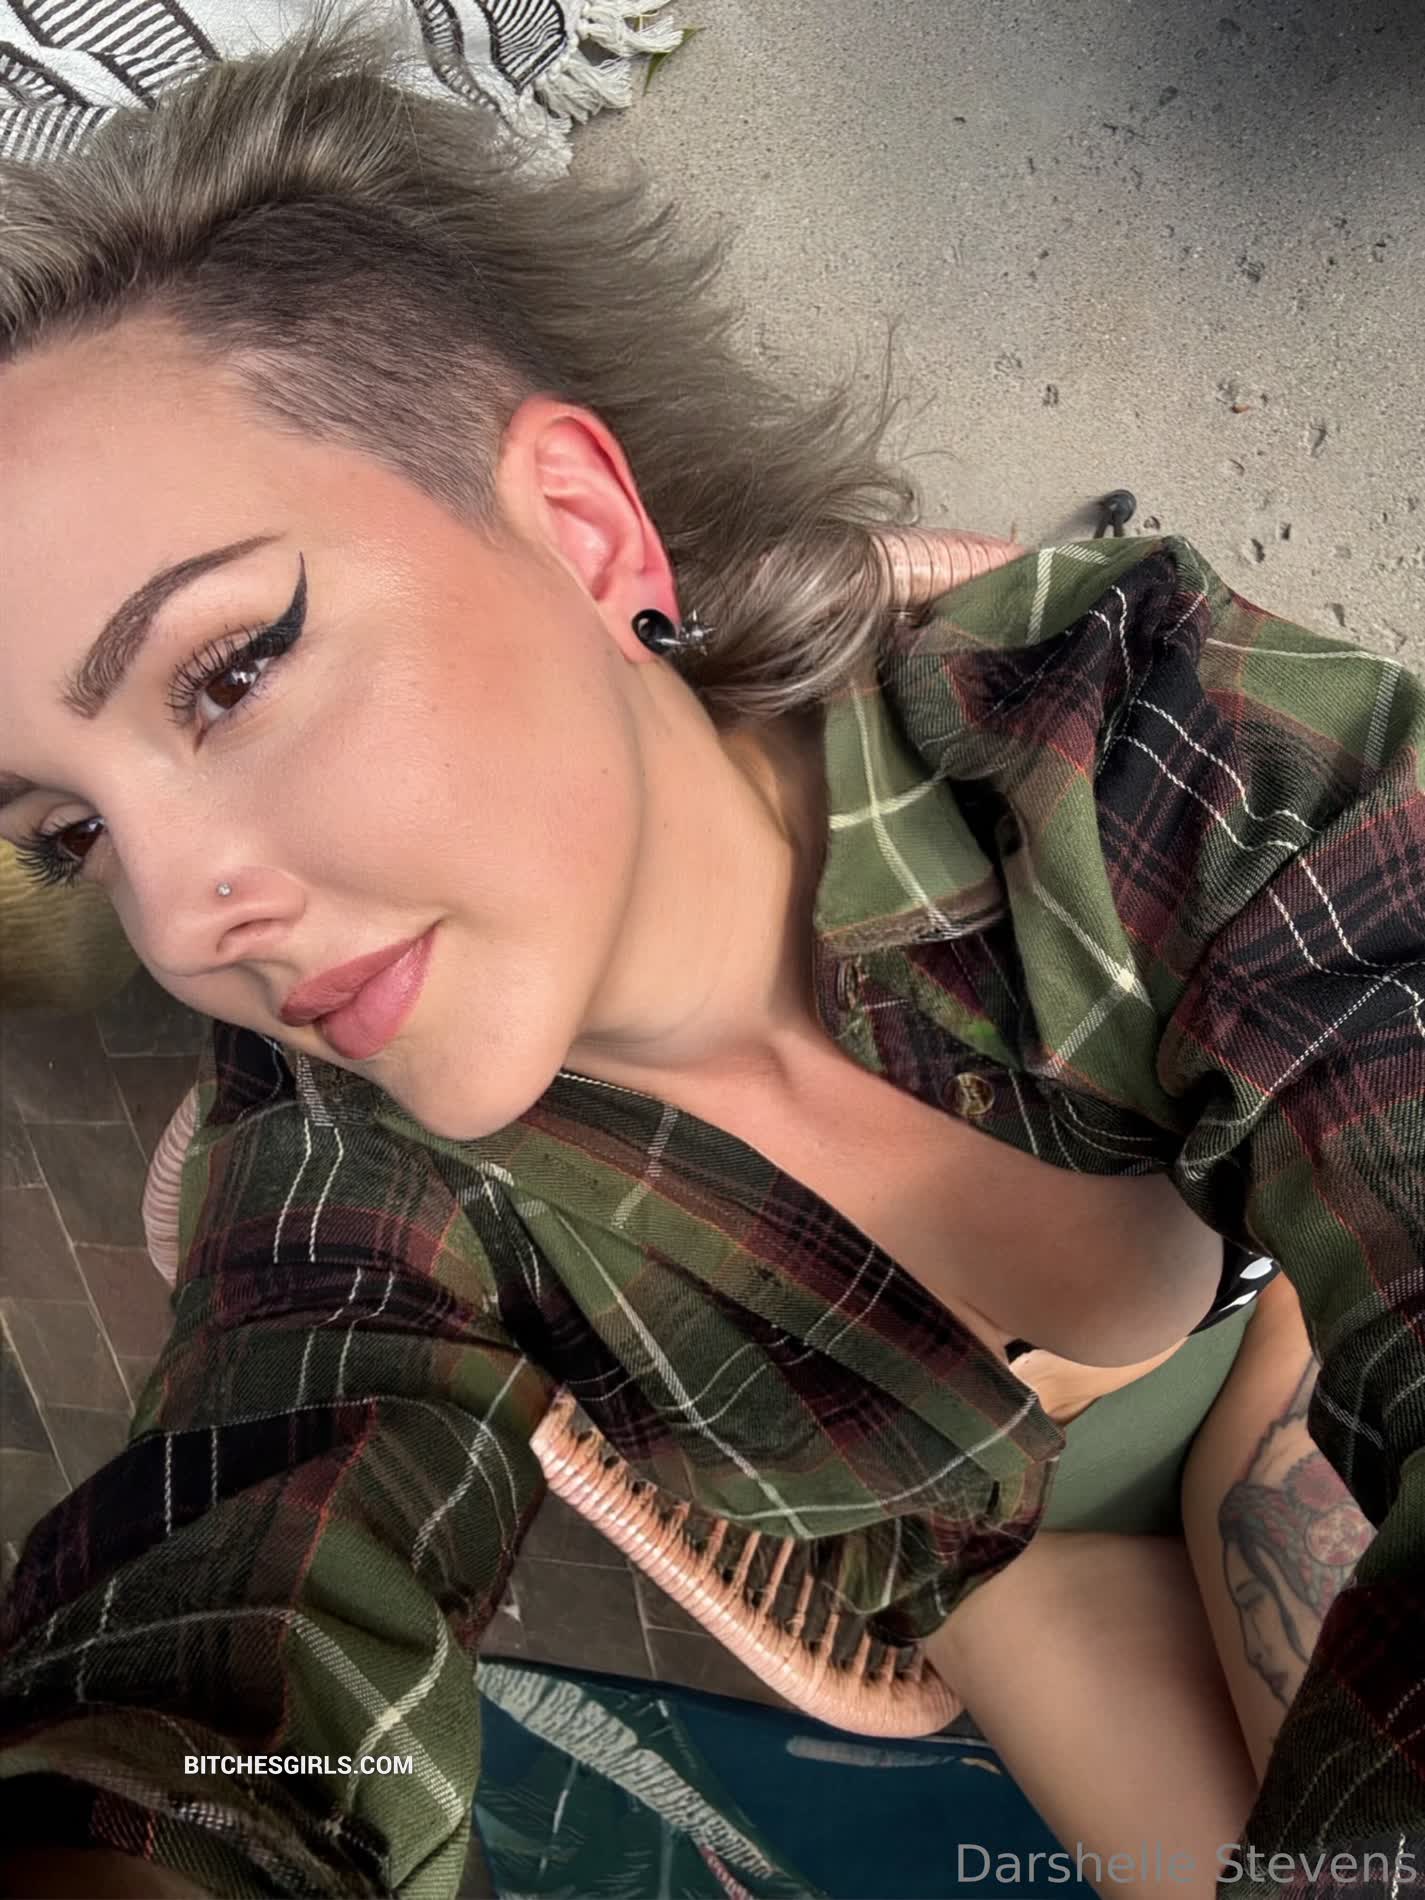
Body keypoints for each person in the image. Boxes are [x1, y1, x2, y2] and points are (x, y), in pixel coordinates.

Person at [0, 3, 1420, 1896]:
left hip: (1290, 1341)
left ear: (583, 529)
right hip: (999, 1568)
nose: (180, 924)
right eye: (72, 832)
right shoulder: (348, 1184)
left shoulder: (1113, 738)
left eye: (232, 669)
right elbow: (236, 1676)